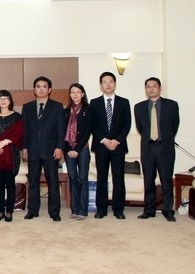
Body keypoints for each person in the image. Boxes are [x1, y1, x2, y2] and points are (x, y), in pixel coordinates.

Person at [134, 77, 180, 222]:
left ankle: (168, 210)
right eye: (148, 86)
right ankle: (149, 210)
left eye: (154, 86)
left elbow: (174, 126)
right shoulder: (139, 107)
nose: (151, 89)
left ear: (160, 88)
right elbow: (141, 128)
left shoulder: (171, 105)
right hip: (148, 147)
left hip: (164, 147)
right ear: (145, 89)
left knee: (166, 180)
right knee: (148, 180)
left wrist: (164, 139)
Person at [21, 76, 65, 222]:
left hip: (51, 150)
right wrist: (24, 147)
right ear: (34, 90)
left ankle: (55, 212)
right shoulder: (27, 107)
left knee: (53, 181)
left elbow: (61, 129)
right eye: (38, 86)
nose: (41, 89)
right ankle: (32, 210)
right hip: (32, 149)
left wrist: (59, 147)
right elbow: (24, 130)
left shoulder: (57, 106)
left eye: (44, 87)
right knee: (33, 181)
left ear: (49, 89)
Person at [90, 72, 131, 220]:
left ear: (115, 84)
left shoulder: (124, 102)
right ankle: (101, 209)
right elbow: (92, 124)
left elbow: (127, 124)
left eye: (111, 81)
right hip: (101, 146)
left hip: (118, 146)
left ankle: (118, 209)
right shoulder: (94, 103)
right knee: (101, 178)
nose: (108, 84)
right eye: (105, 82)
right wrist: (104, 140)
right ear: (100, 85)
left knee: (118, 178)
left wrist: (116, 140)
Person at [0, 90, 24, 222]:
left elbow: (19, 133)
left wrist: (5, 141)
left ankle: (9, 212)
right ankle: (0, 211)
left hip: (11, 154)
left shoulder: (17, 116)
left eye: (5, 98)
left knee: (10, 183)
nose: (3, 101)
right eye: (0, 99)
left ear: (10, 101)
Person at [63, 83, 92, 220]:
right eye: (72, 92)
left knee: (83, 179)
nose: (75, 94)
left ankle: (82, 210)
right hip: (69, 150)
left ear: (83, 94)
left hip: (82, 149)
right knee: (73, 178)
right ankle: (74, 209)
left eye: (78, 92)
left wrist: (77, 149)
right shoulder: (65, 111)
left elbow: (87, 132)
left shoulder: (88, 110)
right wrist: (69, 149)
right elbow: (62, 132)